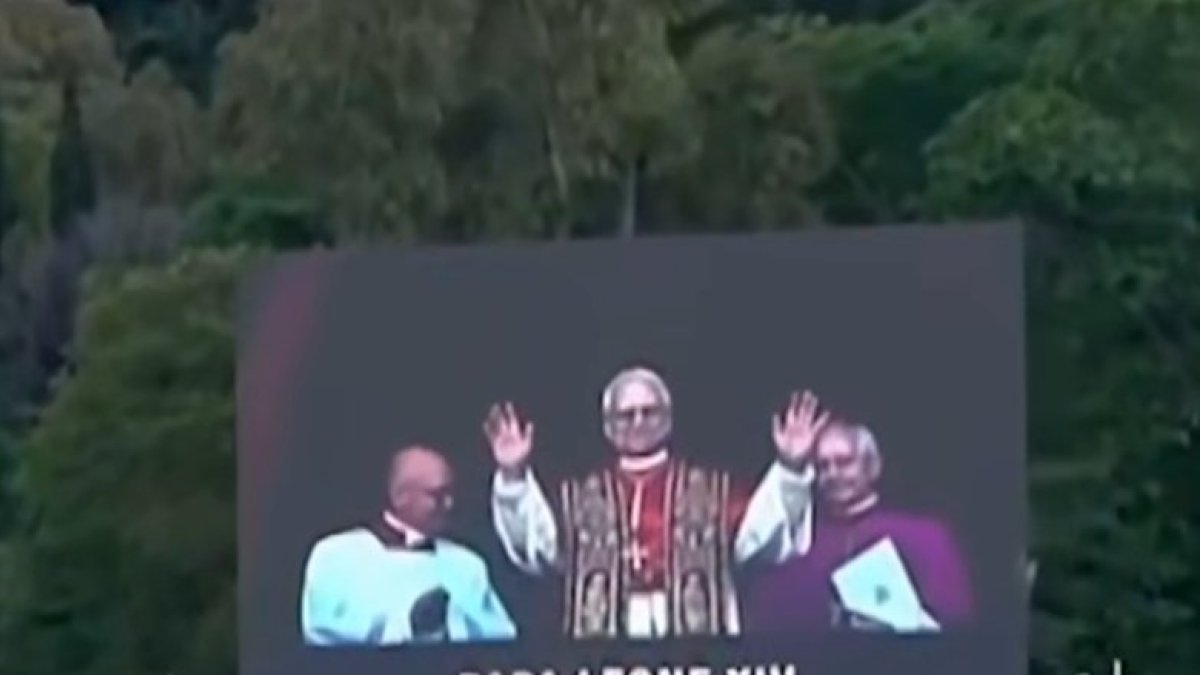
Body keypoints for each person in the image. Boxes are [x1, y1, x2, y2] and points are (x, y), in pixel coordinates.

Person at [485, 366, 824, 639]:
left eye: (649, 412)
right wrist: (513, 476)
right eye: (626, 414)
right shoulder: (577, 497)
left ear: (668, 419)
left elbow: (765, 538)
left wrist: (791, 469)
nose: (638, 423)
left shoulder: (711, 490)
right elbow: (535, 549)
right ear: (608, 426)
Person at [741, 419, 974, 633]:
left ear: (872, 466)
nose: (832, 474)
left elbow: (956, 629)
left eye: (844, 463)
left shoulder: (924, 537)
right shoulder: (800, 544)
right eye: (822, 466)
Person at [300, 446, 517, 646]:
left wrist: (451, 624)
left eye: (451, 494)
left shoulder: (468, 564)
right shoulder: (335, 555)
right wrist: (407, 625)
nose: (449, 505)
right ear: (399, 497)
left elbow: (500, 639)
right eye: (438, 495)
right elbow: (321, 633)